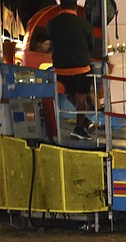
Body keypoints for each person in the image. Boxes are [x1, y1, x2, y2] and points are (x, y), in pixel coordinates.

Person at [47, 0, 96, 141]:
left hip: (60, 69)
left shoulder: (52, 23)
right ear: (75, 7)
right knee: (81, 96)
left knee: (71, 92)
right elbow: (91, 46)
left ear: (60, 5)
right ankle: (79, 129)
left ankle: (84, 121)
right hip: (81, 67)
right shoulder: (84, 24)